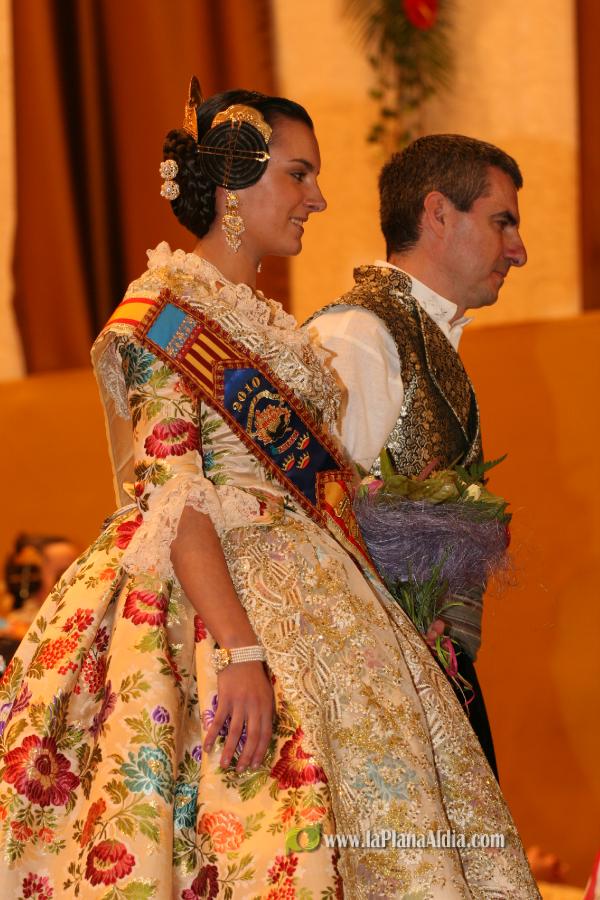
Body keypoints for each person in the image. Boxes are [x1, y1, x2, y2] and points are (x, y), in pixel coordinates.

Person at [0, 90, 538, 898]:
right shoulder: (166, 316)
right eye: (298, 174)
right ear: (233, 184)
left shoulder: (268, 323)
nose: (317, 198)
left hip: (317, 602)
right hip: (211, 616)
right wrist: (241, 652)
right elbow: (174, 494)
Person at [309, 134, 528, 779]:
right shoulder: (355, 336)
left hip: (423, 675)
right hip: (375, 694)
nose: (518, 249)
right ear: (438, 214)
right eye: (502, 222)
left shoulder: (420, 337)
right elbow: (314, 530)